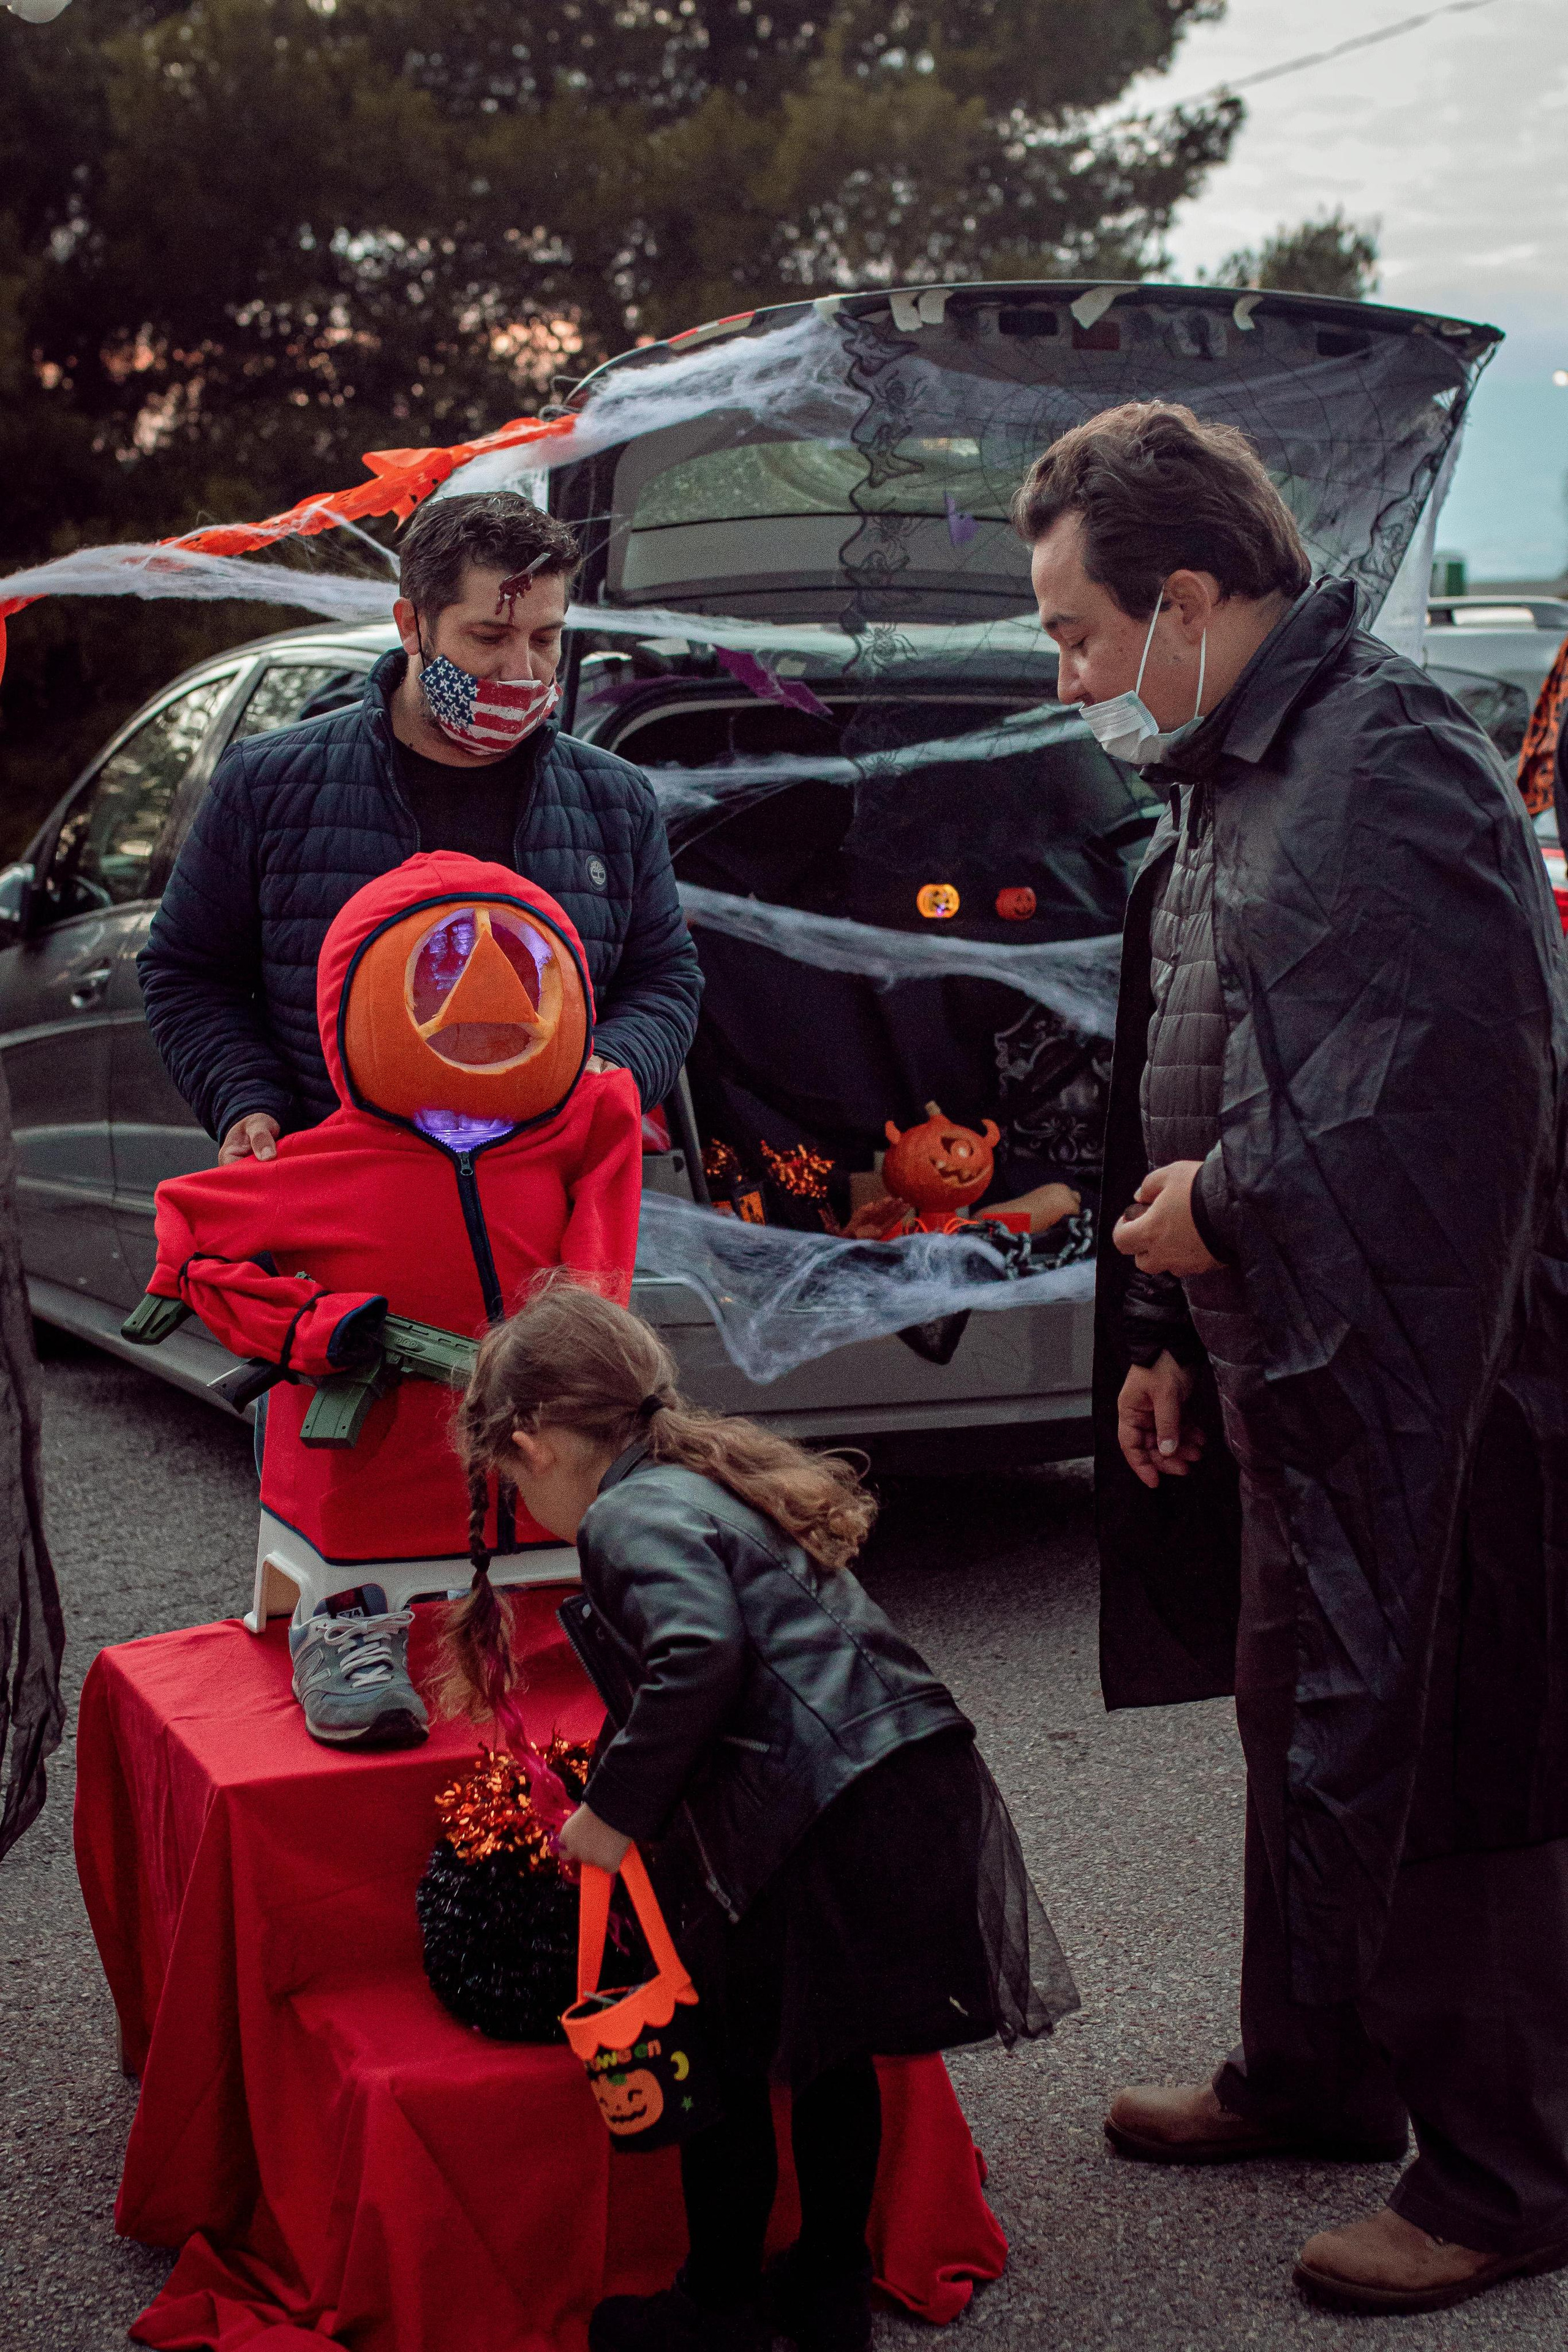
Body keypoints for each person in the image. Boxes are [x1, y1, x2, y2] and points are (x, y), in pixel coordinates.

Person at [1016, 401, 1568, 2316]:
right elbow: (1216, 1038)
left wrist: (1223, 1208)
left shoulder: (1390, 756)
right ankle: (1312, 2065)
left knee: (1446, 1739)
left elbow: (1436, 1090)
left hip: (1450, 1382)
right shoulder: (1237, 757)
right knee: (1304, 1719)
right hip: (1287, 1355)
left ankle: (1504, 2167)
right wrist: (1168, 1319)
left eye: (1075, 633)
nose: (1065, 674)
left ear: (1183, 599)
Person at [433, 1278, 1078, 2352]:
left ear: (537, 1439)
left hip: (812, 1814)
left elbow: (700, 1654)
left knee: (728, 2069)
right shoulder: (696, 1483)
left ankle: (716, 2306)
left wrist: (613, 1810)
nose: (514, 1496)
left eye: (502, 1471)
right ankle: (829, 2282)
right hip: (898, 1776)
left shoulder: (628, 1515)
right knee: (831, 2053)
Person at [138, 492, 702, 1163]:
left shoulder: (615, 799)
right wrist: (247, 1101)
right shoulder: (266, 785)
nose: (521, 672)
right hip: (332, 1199)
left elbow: (665, 978)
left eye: (545, 639)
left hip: (541, 1214)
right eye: (489, 637)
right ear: (413, 625)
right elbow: (187, 972)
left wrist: (615, 1068)